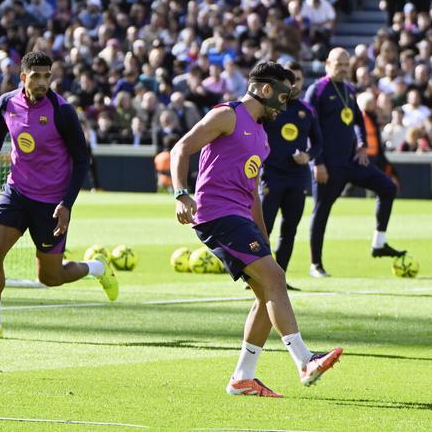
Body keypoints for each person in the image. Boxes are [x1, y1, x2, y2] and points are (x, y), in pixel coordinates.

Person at [171, 61, 342, 398]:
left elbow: (252, 195)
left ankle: (242, 377)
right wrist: (180, 193)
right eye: (283, 95)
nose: (285, 104)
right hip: (216, 214)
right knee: (275, 280)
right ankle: (305, 361)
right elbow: (181, 148)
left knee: (267, 291)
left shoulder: (263, 138)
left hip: (240, 217)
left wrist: (262, 237)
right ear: (265, 89)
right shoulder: (227, 115)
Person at [0, 51, 116, 340]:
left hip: (51, 202)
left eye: (47, 76)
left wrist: (66, 204)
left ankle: (97, 267)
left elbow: (82, 159)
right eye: (36, 76)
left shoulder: (62, 111)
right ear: (23, 77)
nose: (43, 82)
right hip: (17, 191)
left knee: (50, 277)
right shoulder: (7, 102)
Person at [307, 48, 404, 278]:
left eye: (345, 63)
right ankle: (316, 264)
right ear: (327, 64)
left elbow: (360, 121)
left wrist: (362, 144)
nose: (342, 67)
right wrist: (317, 162)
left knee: (388, 188)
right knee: (321, 211)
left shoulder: (349, 89)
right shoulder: (317, 90)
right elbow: (309, 128)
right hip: (328, 164)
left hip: (351, 160)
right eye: (338, 63)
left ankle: (379, 243)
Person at [260, 62, 322, 287]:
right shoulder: (270, 108)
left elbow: (318, 143)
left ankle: (279, 278)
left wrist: (308, 156)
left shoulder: (307, 110)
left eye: (297, 79)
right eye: (289, 80)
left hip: (297, 178)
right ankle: (258, 276)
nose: (293, 84)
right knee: (264, 227)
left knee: (290, 229)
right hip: (271, 175)